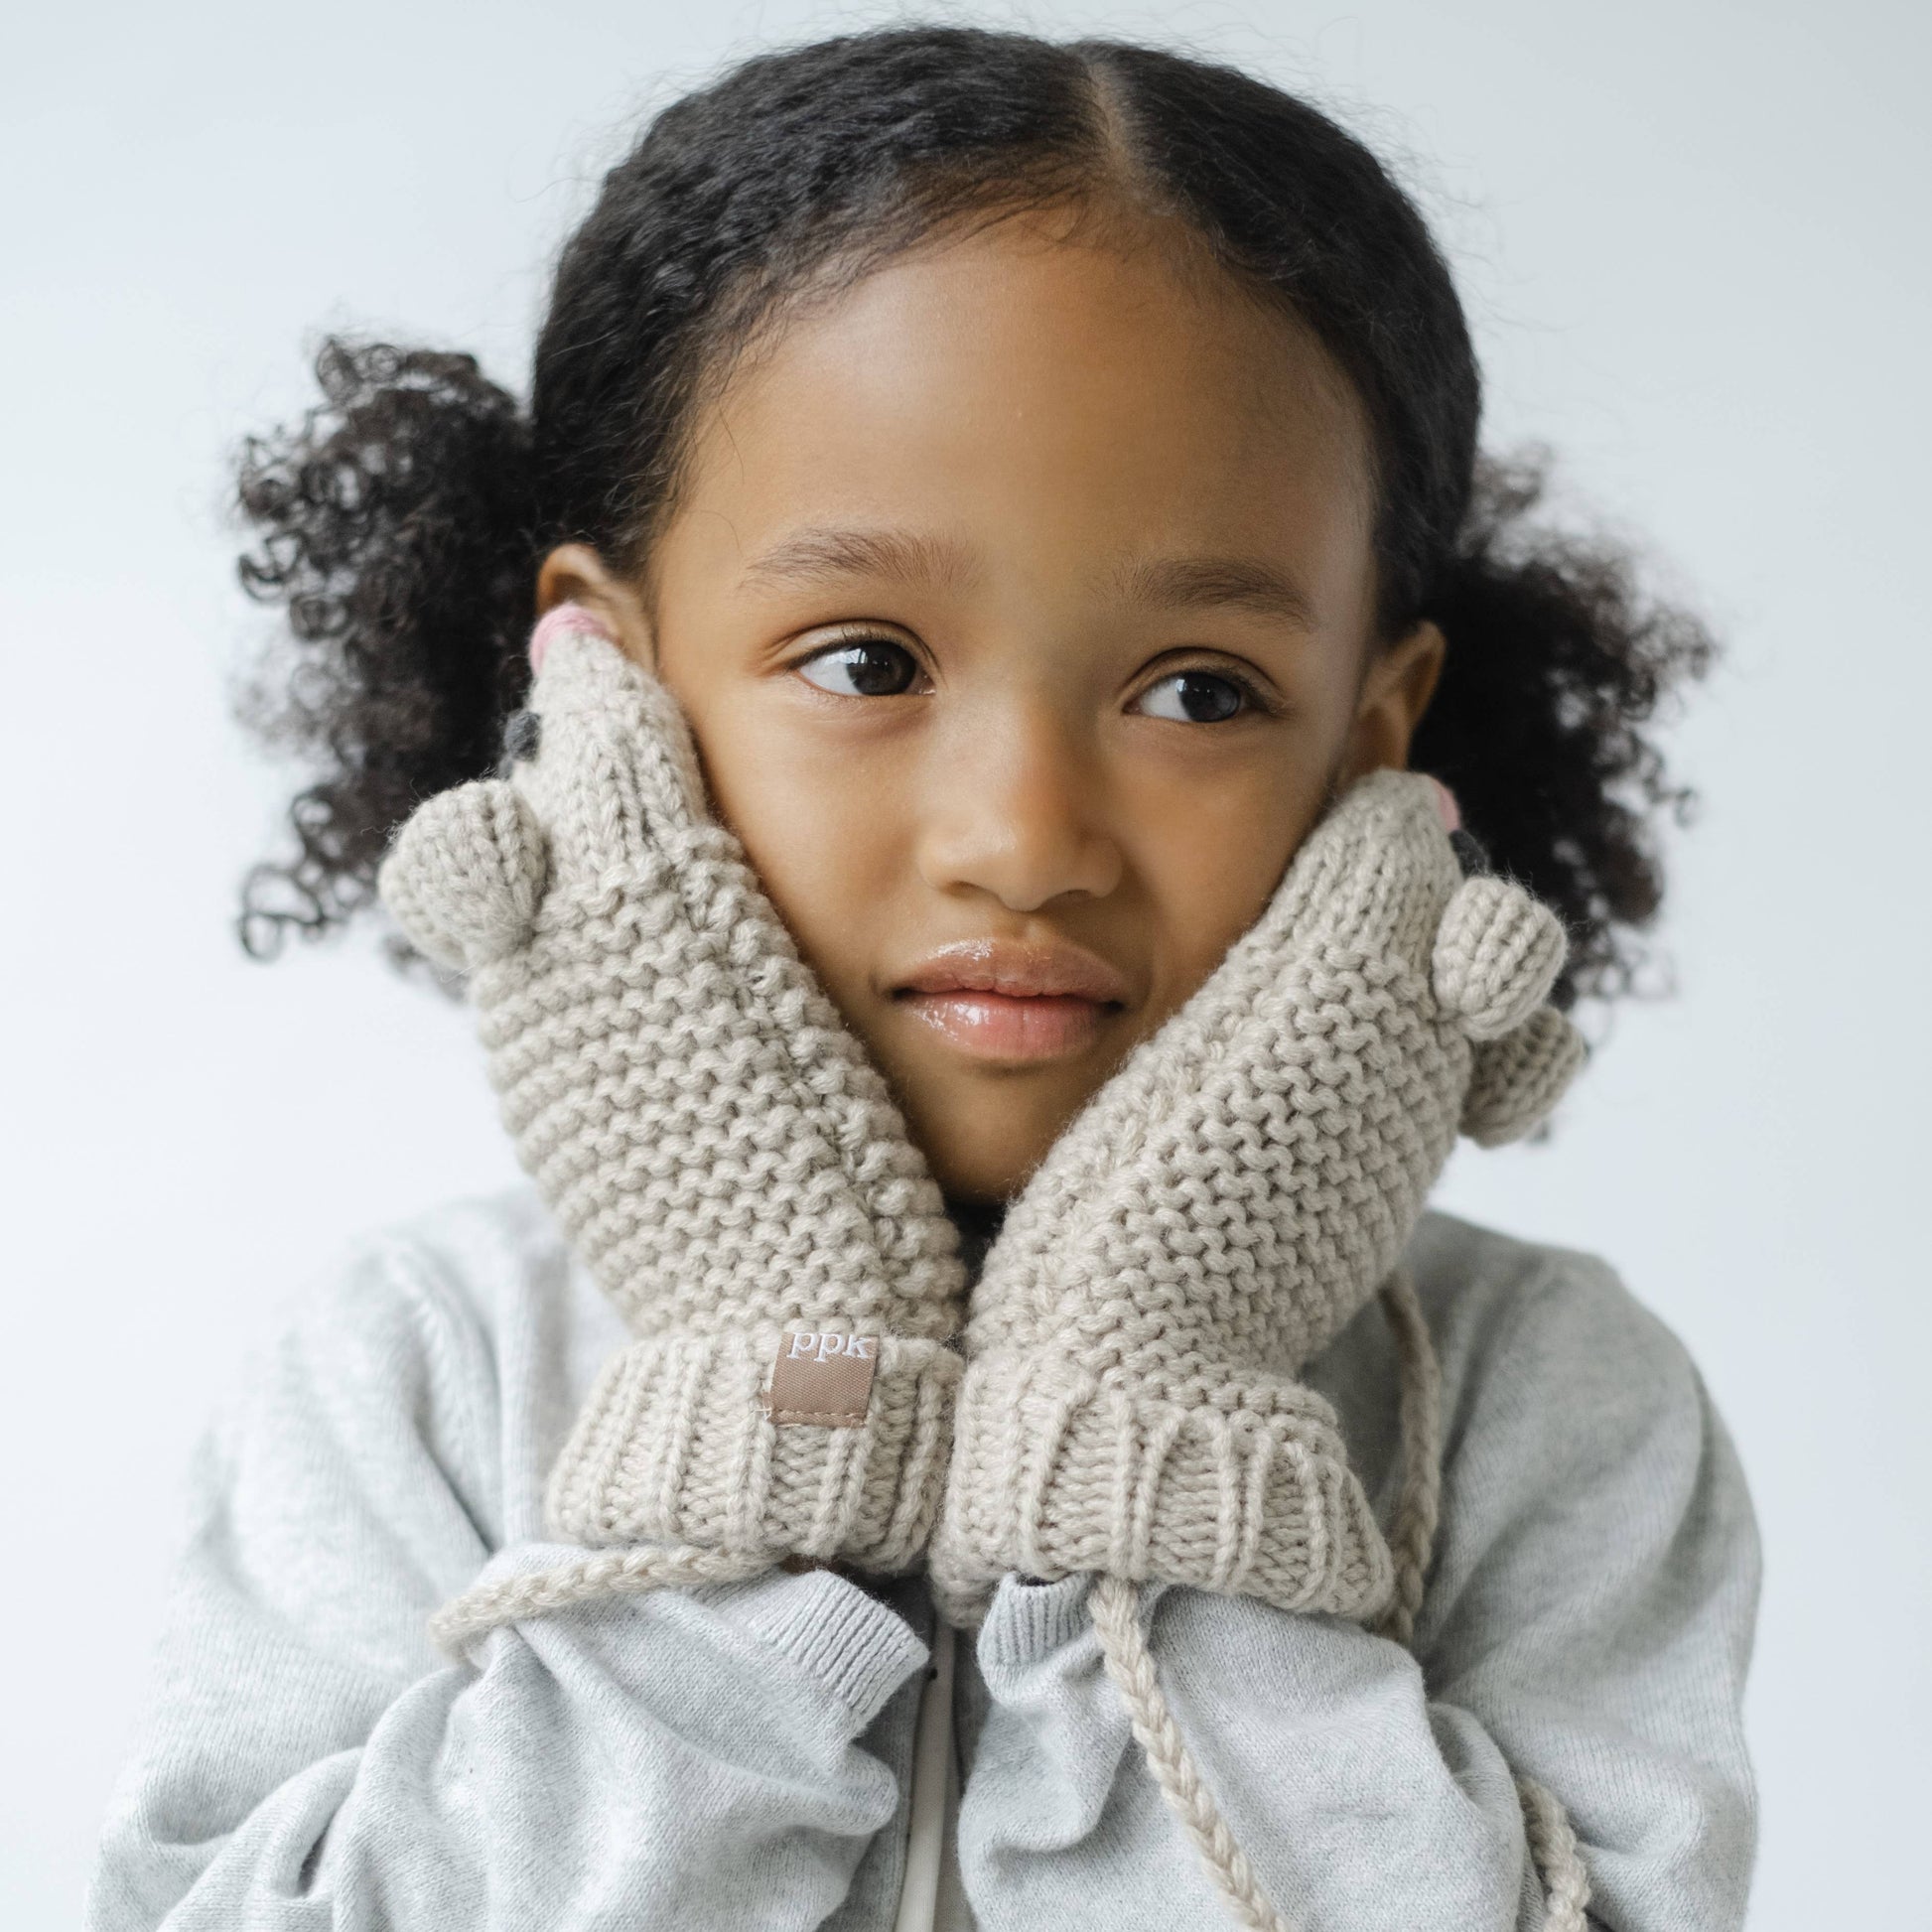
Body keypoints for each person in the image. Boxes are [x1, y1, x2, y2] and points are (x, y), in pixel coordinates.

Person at [87, 26, 1757, 1932]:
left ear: (1379, 749)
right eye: (866, 659)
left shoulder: (1553, 1402)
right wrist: (762, 1420)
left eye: (1199, 690)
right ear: (607, 689)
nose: (1024, 834)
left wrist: (1154, 1422)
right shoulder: (415, 1367)